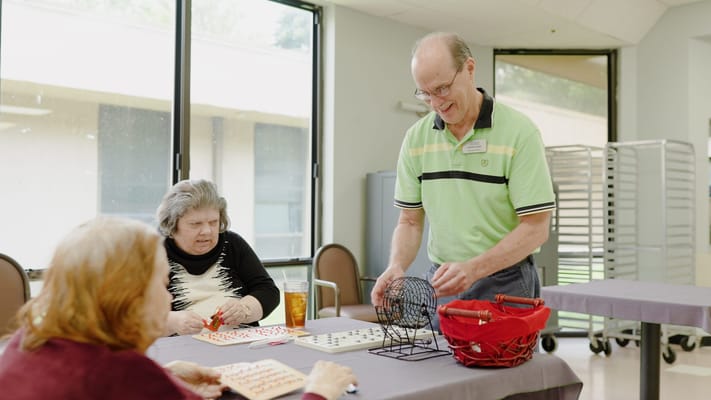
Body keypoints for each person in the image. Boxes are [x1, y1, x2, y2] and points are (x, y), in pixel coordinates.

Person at [0, 216, 356, 400]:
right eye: (161, 284)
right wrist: (319, 392)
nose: (169, 296)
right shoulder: (125, 373)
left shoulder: (25, 343)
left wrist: (165, 375)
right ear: (126, 296)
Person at [370, 32, 556, 331]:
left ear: (469, 69)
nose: (435, 103)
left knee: (504, 378)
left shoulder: (520, 133)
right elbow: (409, 222)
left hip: (506, 284)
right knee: (442, 373)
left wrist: (474, 269)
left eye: (442, 88)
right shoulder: (416, 139)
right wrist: (396, 265)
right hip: (444, 283)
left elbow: (536, 228)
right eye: (425, 93)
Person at [157, 179, 280, 335]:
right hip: (183, 348)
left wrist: (244, 309)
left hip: (243, 343)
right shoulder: (155, 253)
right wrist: (172, 322)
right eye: (195, 224)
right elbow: (132, 315)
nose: (207, 231)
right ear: (172, 225)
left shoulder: (232, 243)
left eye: (213, 222)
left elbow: (268, 291)